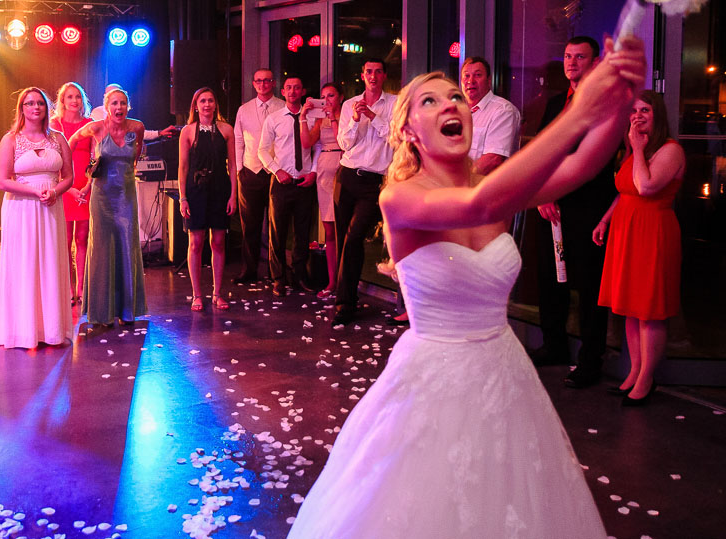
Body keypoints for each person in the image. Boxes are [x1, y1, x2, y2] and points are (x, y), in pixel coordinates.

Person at [288, 36, 646, 538]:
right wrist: (578, 112)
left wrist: (619, 99)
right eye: (429, 101)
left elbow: (581, 167)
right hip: (433, 381)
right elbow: (478, 209)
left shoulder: (486, 181)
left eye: (455, 96)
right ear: (409, 129)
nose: (450, 103)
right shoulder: (400, 197)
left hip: (504, 373)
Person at [530, 36, 618, 389]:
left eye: (580, 57)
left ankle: (590, 359)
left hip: (588, 206)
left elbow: (595, 162)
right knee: (550, 281)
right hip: (552, 206)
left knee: (588, 286)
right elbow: (541, 153)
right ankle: (554, 346)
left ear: (595, 63)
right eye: (567, 56)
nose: (571, 62)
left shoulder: (605, 105)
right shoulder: (555, 103)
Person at [593, 91, 684, 405]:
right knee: (630, 308)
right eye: (633, 111)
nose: (638, 116)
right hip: (626, 230)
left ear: (657, 114)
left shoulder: (670, 150)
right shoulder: (636, 151)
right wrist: (605, 220)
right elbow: (625, 191)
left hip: (653, 231)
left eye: (645, 110)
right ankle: (634, 371)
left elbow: (646, 187)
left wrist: (639, 149)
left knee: (649, 310)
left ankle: (647, 378)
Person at [0, 87, 75, 349]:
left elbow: (69, 177)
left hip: (51, 207)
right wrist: (35, 191)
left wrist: (53, 192)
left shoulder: (59, 138)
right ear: (22, 108)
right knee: (24, 264)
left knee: (51, 263)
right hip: (21, 208)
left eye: (39, 103)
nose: (35, 107)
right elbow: (3, 181)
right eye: (29, 103)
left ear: (47, 107)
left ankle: (50, 330)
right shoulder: (11, 140)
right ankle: (22, 331)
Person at [69, 87, 147, 328]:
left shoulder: (137, 128)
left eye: (123, 103)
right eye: (114, 103)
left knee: (127, 246)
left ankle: (126, 310)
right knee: (101, 249)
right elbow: (71, 142)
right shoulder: (96, 128)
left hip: (126, 196)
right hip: (102, 198)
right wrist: (72, 178)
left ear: (128, 106)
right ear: (106, 106)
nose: (119, 108)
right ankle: (102, 312)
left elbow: (137, 154)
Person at [333, 58, 397, 325]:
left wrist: (374, 117)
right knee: (343, 239)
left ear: (384, 76)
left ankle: (345, 301)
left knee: (354, 236)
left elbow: (395, 138)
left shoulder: (394, 104)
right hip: (347, 176)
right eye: (368, 72)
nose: (373, 76)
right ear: (362, 76)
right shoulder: (349, 104)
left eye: (377, 72)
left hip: (375, 182)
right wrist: (356, 119)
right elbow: (345, 144)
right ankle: (345, 299)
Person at [258, 76, 319, 296]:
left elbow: (318, 146)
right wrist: (277, 170)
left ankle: (300, 277)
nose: (293, 91)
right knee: (278, 233)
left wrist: (313, 172)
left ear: (303, 91)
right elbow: (262, 150)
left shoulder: (312, 117)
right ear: (283, 92)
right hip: (281, 183)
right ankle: (278, 278)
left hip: (305, 182)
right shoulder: (274, 119)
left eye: (297, 88)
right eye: (289, 88)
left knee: (303, 233)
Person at [178, 87, 237, 311]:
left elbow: (232, 165)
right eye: (202, 101)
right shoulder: (188, 131)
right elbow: (183, 167)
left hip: (220, 189)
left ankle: (218, 293)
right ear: (196, 105)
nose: (207, 104)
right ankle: (197, 294)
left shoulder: (226, 129)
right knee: (196, 242)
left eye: (210, 100)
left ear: (215, 104)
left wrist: (233, 194)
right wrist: (183, 197)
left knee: (219, 242)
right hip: (196, 190)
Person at [233, 69, 286, 284]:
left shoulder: (283, 107)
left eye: (267, 80)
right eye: (258, 81)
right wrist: (238, 170)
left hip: (276, 173)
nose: (263, 84)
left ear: (273, 83)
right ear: (253, 84)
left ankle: (278, 273)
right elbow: (238, 140)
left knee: (277, 226)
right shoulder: (243, 110)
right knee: (250, 226)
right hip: (250, 171)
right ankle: (249, 270)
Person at [51, 82, 93, 307]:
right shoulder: (54, 125)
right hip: (63, 187)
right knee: (65, 241)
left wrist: (88, 184)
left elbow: (97, 156)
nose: (74, 101)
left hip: (85, 187)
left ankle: (82, 287)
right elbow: (50, 159)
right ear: (62, 101)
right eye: (70, 97)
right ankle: (68, 289)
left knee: (82, 238)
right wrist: (67, 188)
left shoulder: (90, 124)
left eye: (78, 96)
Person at [300, 83, 344, 299]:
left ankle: (345, 280)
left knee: (344, 228)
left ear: (340, 97)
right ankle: (331, 280)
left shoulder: (347, 114)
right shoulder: (319, 118)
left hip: (344, 165)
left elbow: (346, 141)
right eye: (324, 96)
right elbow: (307, 142)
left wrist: (333, 117)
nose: (327, 100)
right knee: (328, 229)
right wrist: (303, 117)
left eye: (332, 95)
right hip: (325, 169)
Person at [460, 56, 521, 175]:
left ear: (489, 81)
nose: (470, 81)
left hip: (487, 187)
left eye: (477, 75)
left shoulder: (503, 110)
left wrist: (458, 181)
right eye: (466, 76)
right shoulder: (457, 110)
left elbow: (493, 161)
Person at [91, 84, 179, 141]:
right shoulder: (97, 113)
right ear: (105, 97)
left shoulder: (123, 118)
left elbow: (138, 132)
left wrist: (159, 133)